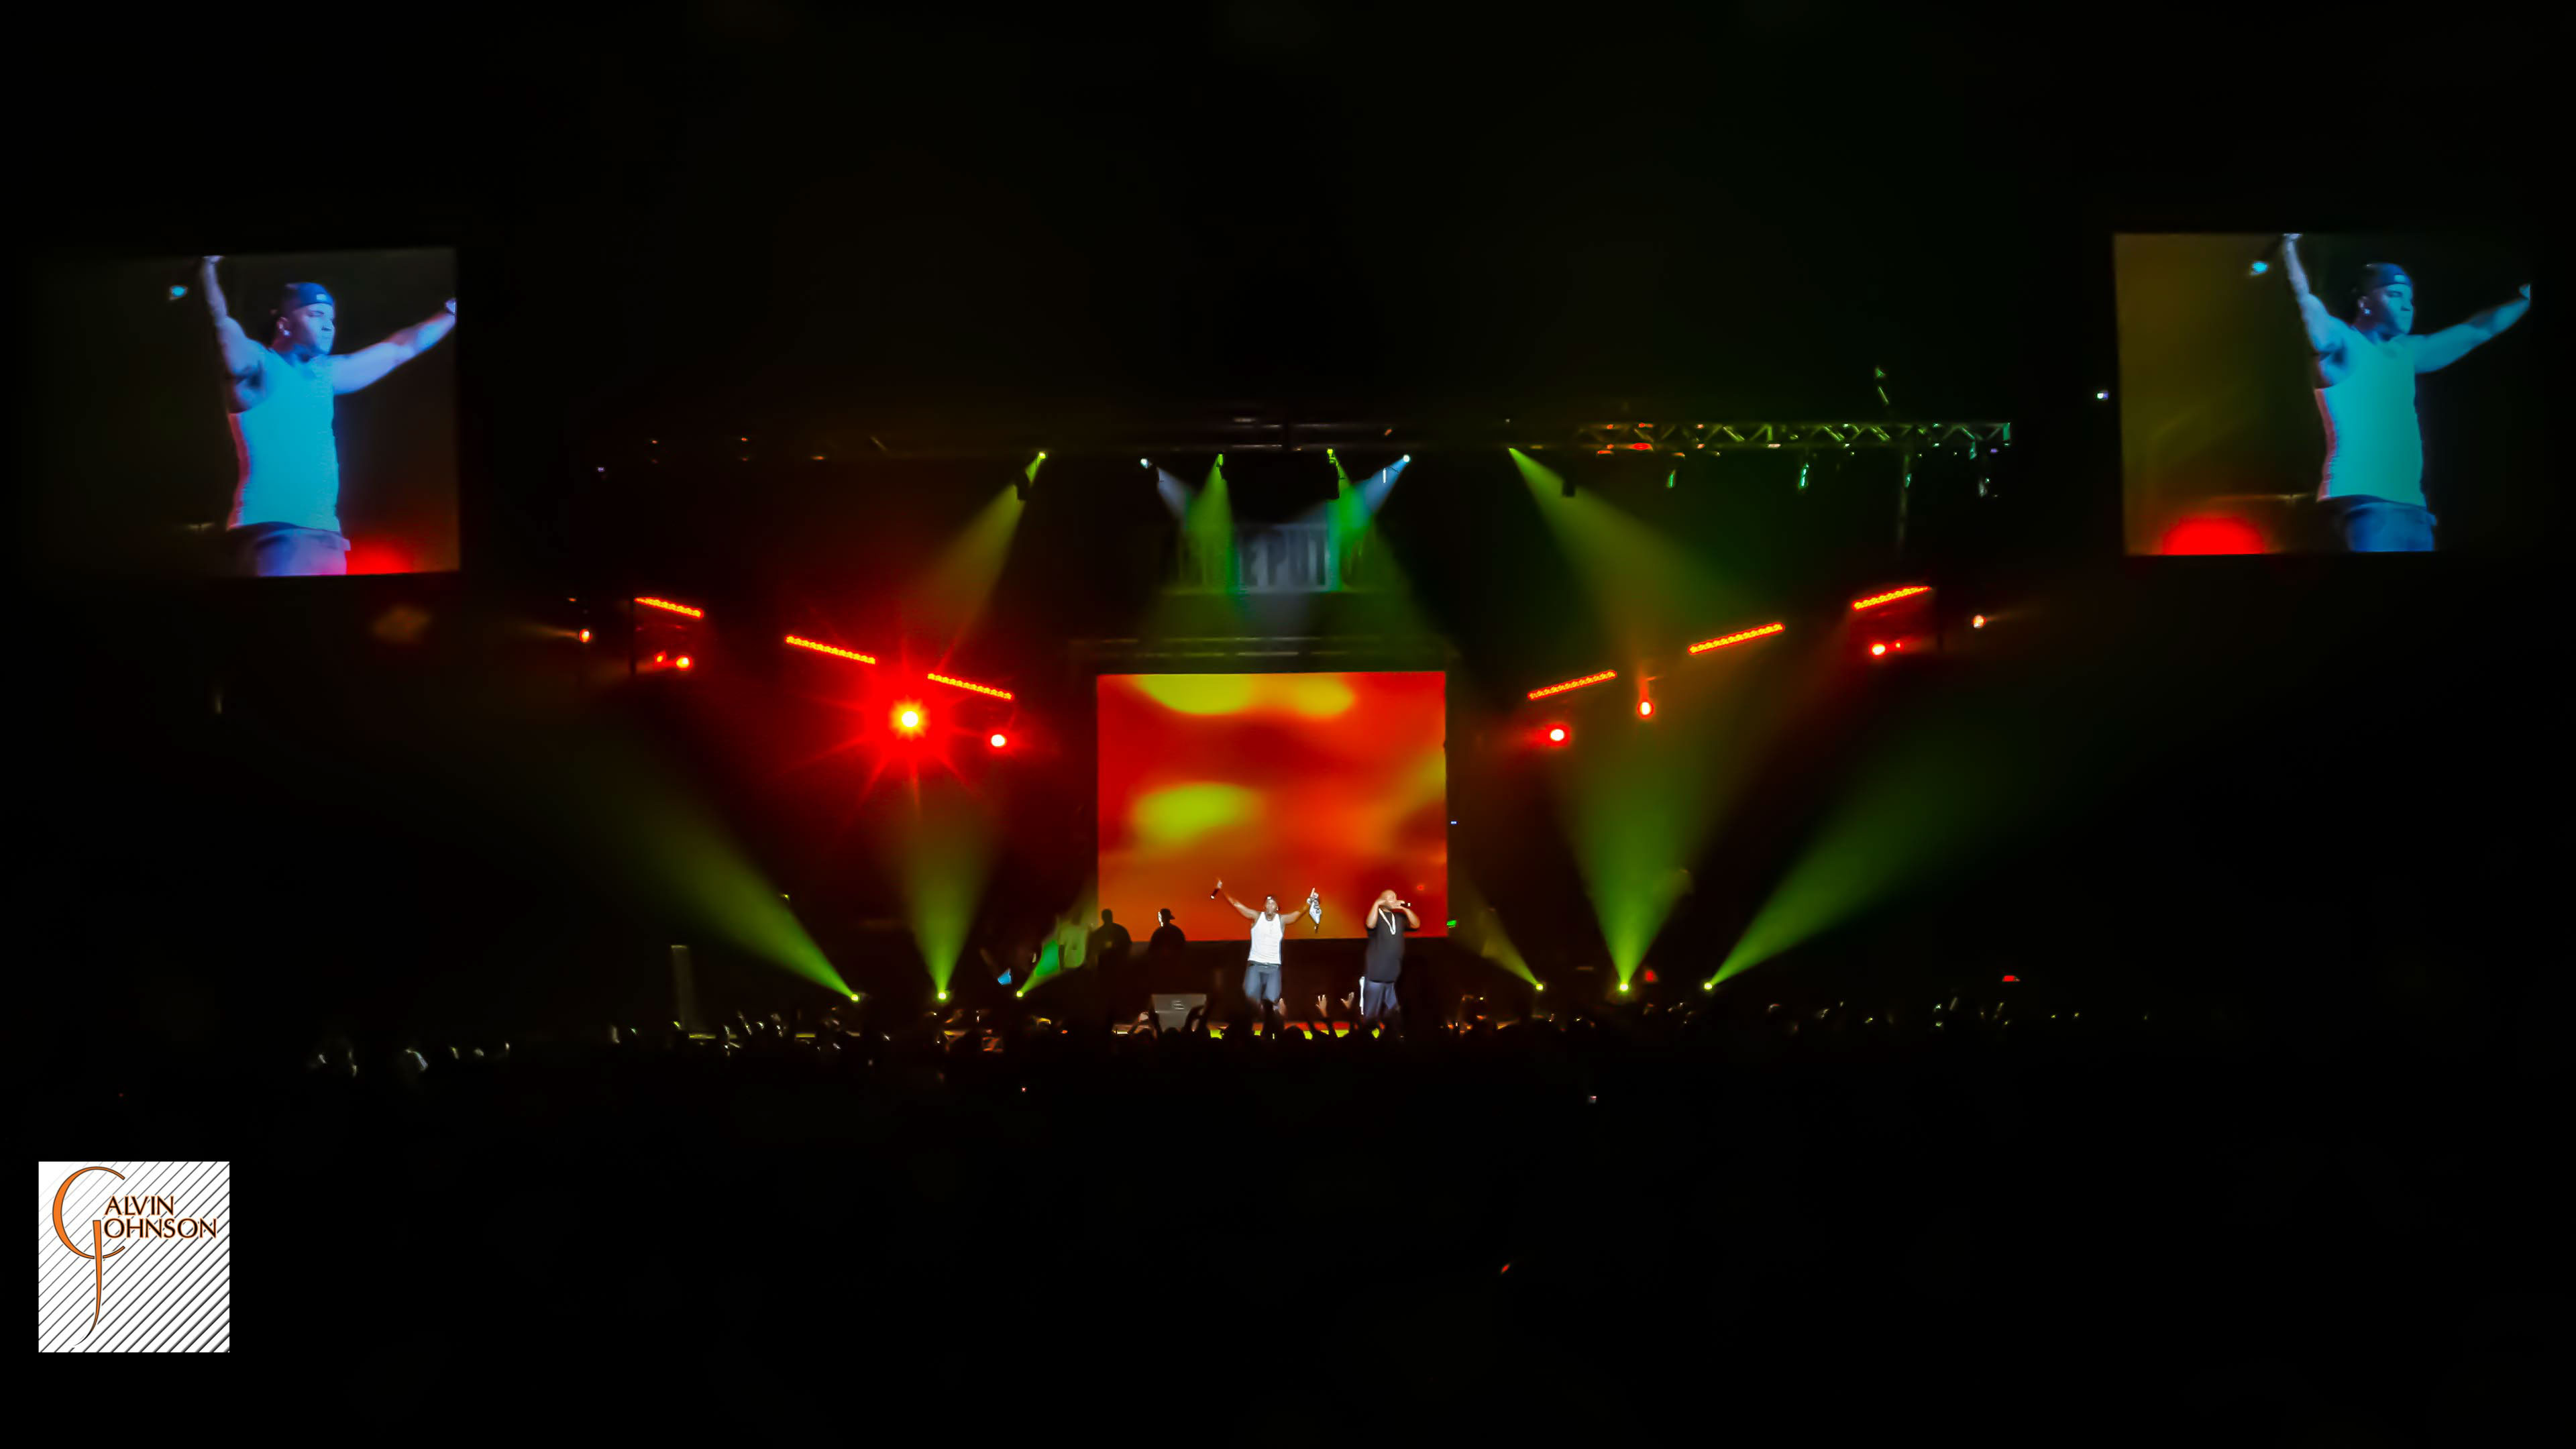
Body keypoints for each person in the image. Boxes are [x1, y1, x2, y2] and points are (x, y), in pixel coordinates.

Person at [197, 256, 458, 576]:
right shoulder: (259, 366)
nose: (327, 325)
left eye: (331, 319)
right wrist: (207, 269)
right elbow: (221, 322)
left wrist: (452, 312)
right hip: (273, 532)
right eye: (316, 314)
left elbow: (401, 348)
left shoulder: (325, 375)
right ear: (284, 324)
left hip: (326, 536)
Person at [2278, 236, 2529, 552]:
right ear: (2365, 302)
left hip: (2412, 508)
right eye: (2395, 294)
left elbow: (2480, 330)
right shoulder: (2343, 343)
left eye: (2409, 297)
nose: (2406, 304)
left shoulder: (2407, 353)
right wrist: (2289, 248)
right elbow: (2306, 302)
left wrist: (2526, 299)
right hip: (2362, 502)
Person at [1217, 880, 1317, 1027]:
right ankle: (1245, 1030)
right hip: (1255, 966)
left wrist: (1309, 901)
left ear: (1277, 907)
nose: (1270, 906)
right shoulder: (1257, 917)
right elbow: (1237, 904)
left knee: (1272, 1004)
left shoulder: (1282, 920)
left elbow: (1299, 913)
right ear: (1264, 906)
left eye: (1273, 904)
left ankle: (1271, 1032)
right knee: (1251, 1002)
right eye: (1268, 903)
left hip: (1274, 968)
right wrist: (1223, 890)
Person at [1360, 890, 1420, 1030]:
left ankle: (1394, 1039)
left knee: (1396, 1014)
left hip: (1394, 976)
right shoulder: (1375, 916)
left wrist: (1405, 909)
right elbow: (1370, 924)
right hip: (1377, 974)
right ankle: (1366, 1040)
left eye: (1395, 897)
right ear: (1382, 901)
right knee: (1371, 1016)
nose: (1395, 899)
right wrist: (1377, 904)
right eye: (1390, 898)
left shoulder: (1398, 917)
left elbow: (1416, 925)